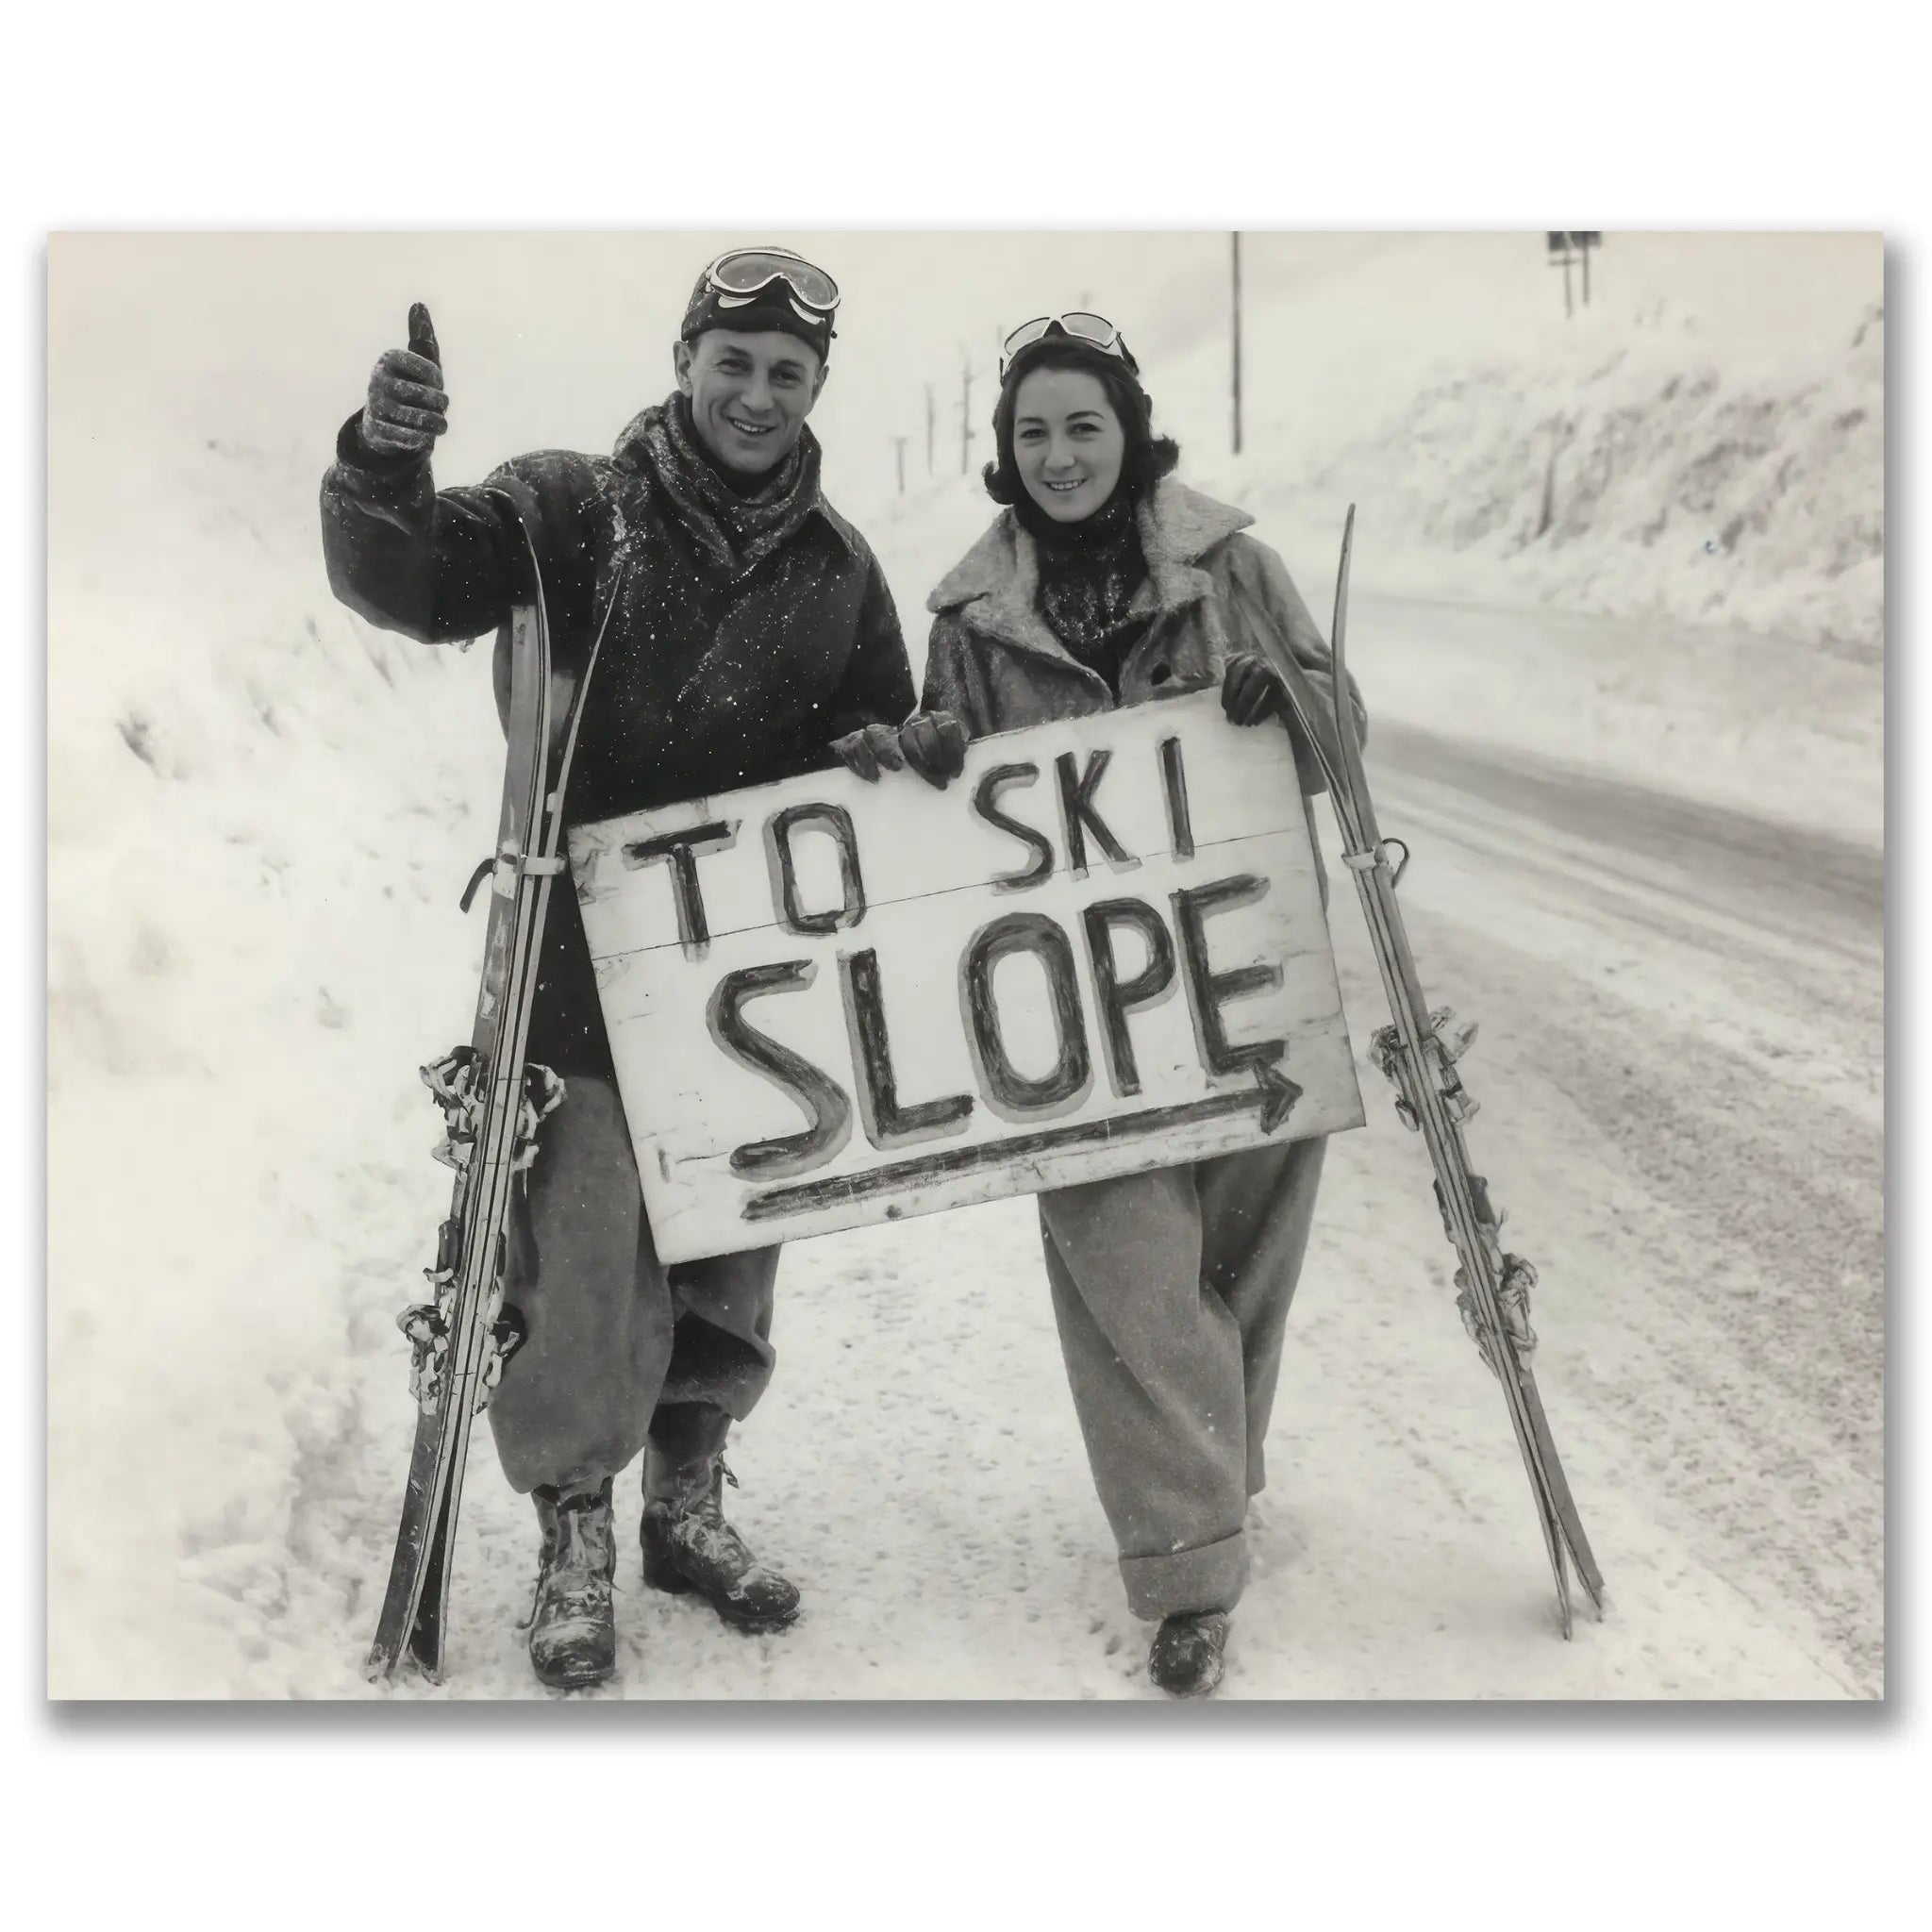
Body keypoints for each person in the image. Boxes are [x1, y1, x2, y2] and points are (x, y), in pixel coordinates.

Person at [321, 247, 916, 1690]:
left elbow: (878, 732)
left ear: (817, 388)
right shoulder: (567, 510)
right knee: (584, 1258)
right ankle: (573, 1531)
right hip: (581, 967)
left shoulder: (839, 569)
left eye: (788, 374)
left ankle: (687, 1503)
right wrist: (384, 468)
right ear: (685, 358)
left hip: (751, 990)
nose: (757, 394)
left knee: (726, 1255)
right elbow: (408, 577)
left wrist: (883, 754)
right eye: (736, 362)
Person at [841, 314, 1366, 1697]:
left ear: (1130, 430)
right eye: (1032, 433)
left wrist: (1286, 697)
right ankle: (1188, 1570)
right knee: (1133, 1284)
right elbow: (938, 791)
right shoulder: (970, 620)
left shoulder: (1232, 567)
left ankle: (1216, 1488)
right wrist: (929, 754)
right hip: (1073, 1023)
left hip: (1245, 976)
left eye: (1083, 425)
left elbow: (1340, 734)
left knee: (1242, 1267)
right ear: (1004, 454)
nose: (1060, 455)